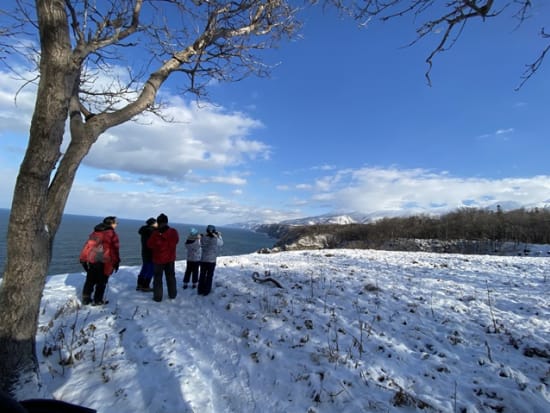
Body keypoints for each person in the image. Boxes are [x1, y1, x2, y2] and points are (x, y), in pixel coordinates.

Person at [80, 216, 120, 306]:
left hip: (92, 259)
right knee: (102, 281)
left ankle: (86, 298)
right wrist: (116, 261)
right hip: (104, 260)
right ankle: (98, 300)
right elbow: (115, 250)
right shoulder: (112, 234)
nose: (116, 225)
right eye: (116, 223)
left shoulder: (96, 232)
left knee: (90, 279)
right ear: (111, 224)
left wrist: (83, 258)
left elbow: (88, 246)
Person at [147, 213, 179, 302]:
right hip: (170, 259)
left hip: (158, 260)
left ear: (159, 222)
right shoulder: (173, 231)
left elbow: (149, 244)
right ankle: (172, 294)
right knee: (171, 277)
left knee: (157, 279)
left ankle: (158, 297)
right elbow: (176, 241)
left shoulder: (156, 233)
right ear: (167, 222)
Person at [197, 224, 223, 296]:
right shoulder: (216, 239)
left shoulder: (203, 238)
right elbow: (221, 243)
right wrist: (219, 235)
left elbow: (200, 242)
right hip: (211, 261)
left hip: (203, 260)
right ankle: (206, 291)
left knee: (202, 275)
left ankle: (200, 290)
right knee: (209, 276)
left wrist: (205, 234)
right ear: (214, 231)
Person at [136, 217, 157, 291]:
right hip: (151, 252)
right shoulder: (153, 232)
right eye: (156, 222)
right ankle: (145, 285)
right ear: (153, 224)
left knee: (144, 268)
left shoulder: (144, 231)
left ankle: (139, 284)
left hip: (144, 252)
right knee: (151, 269)